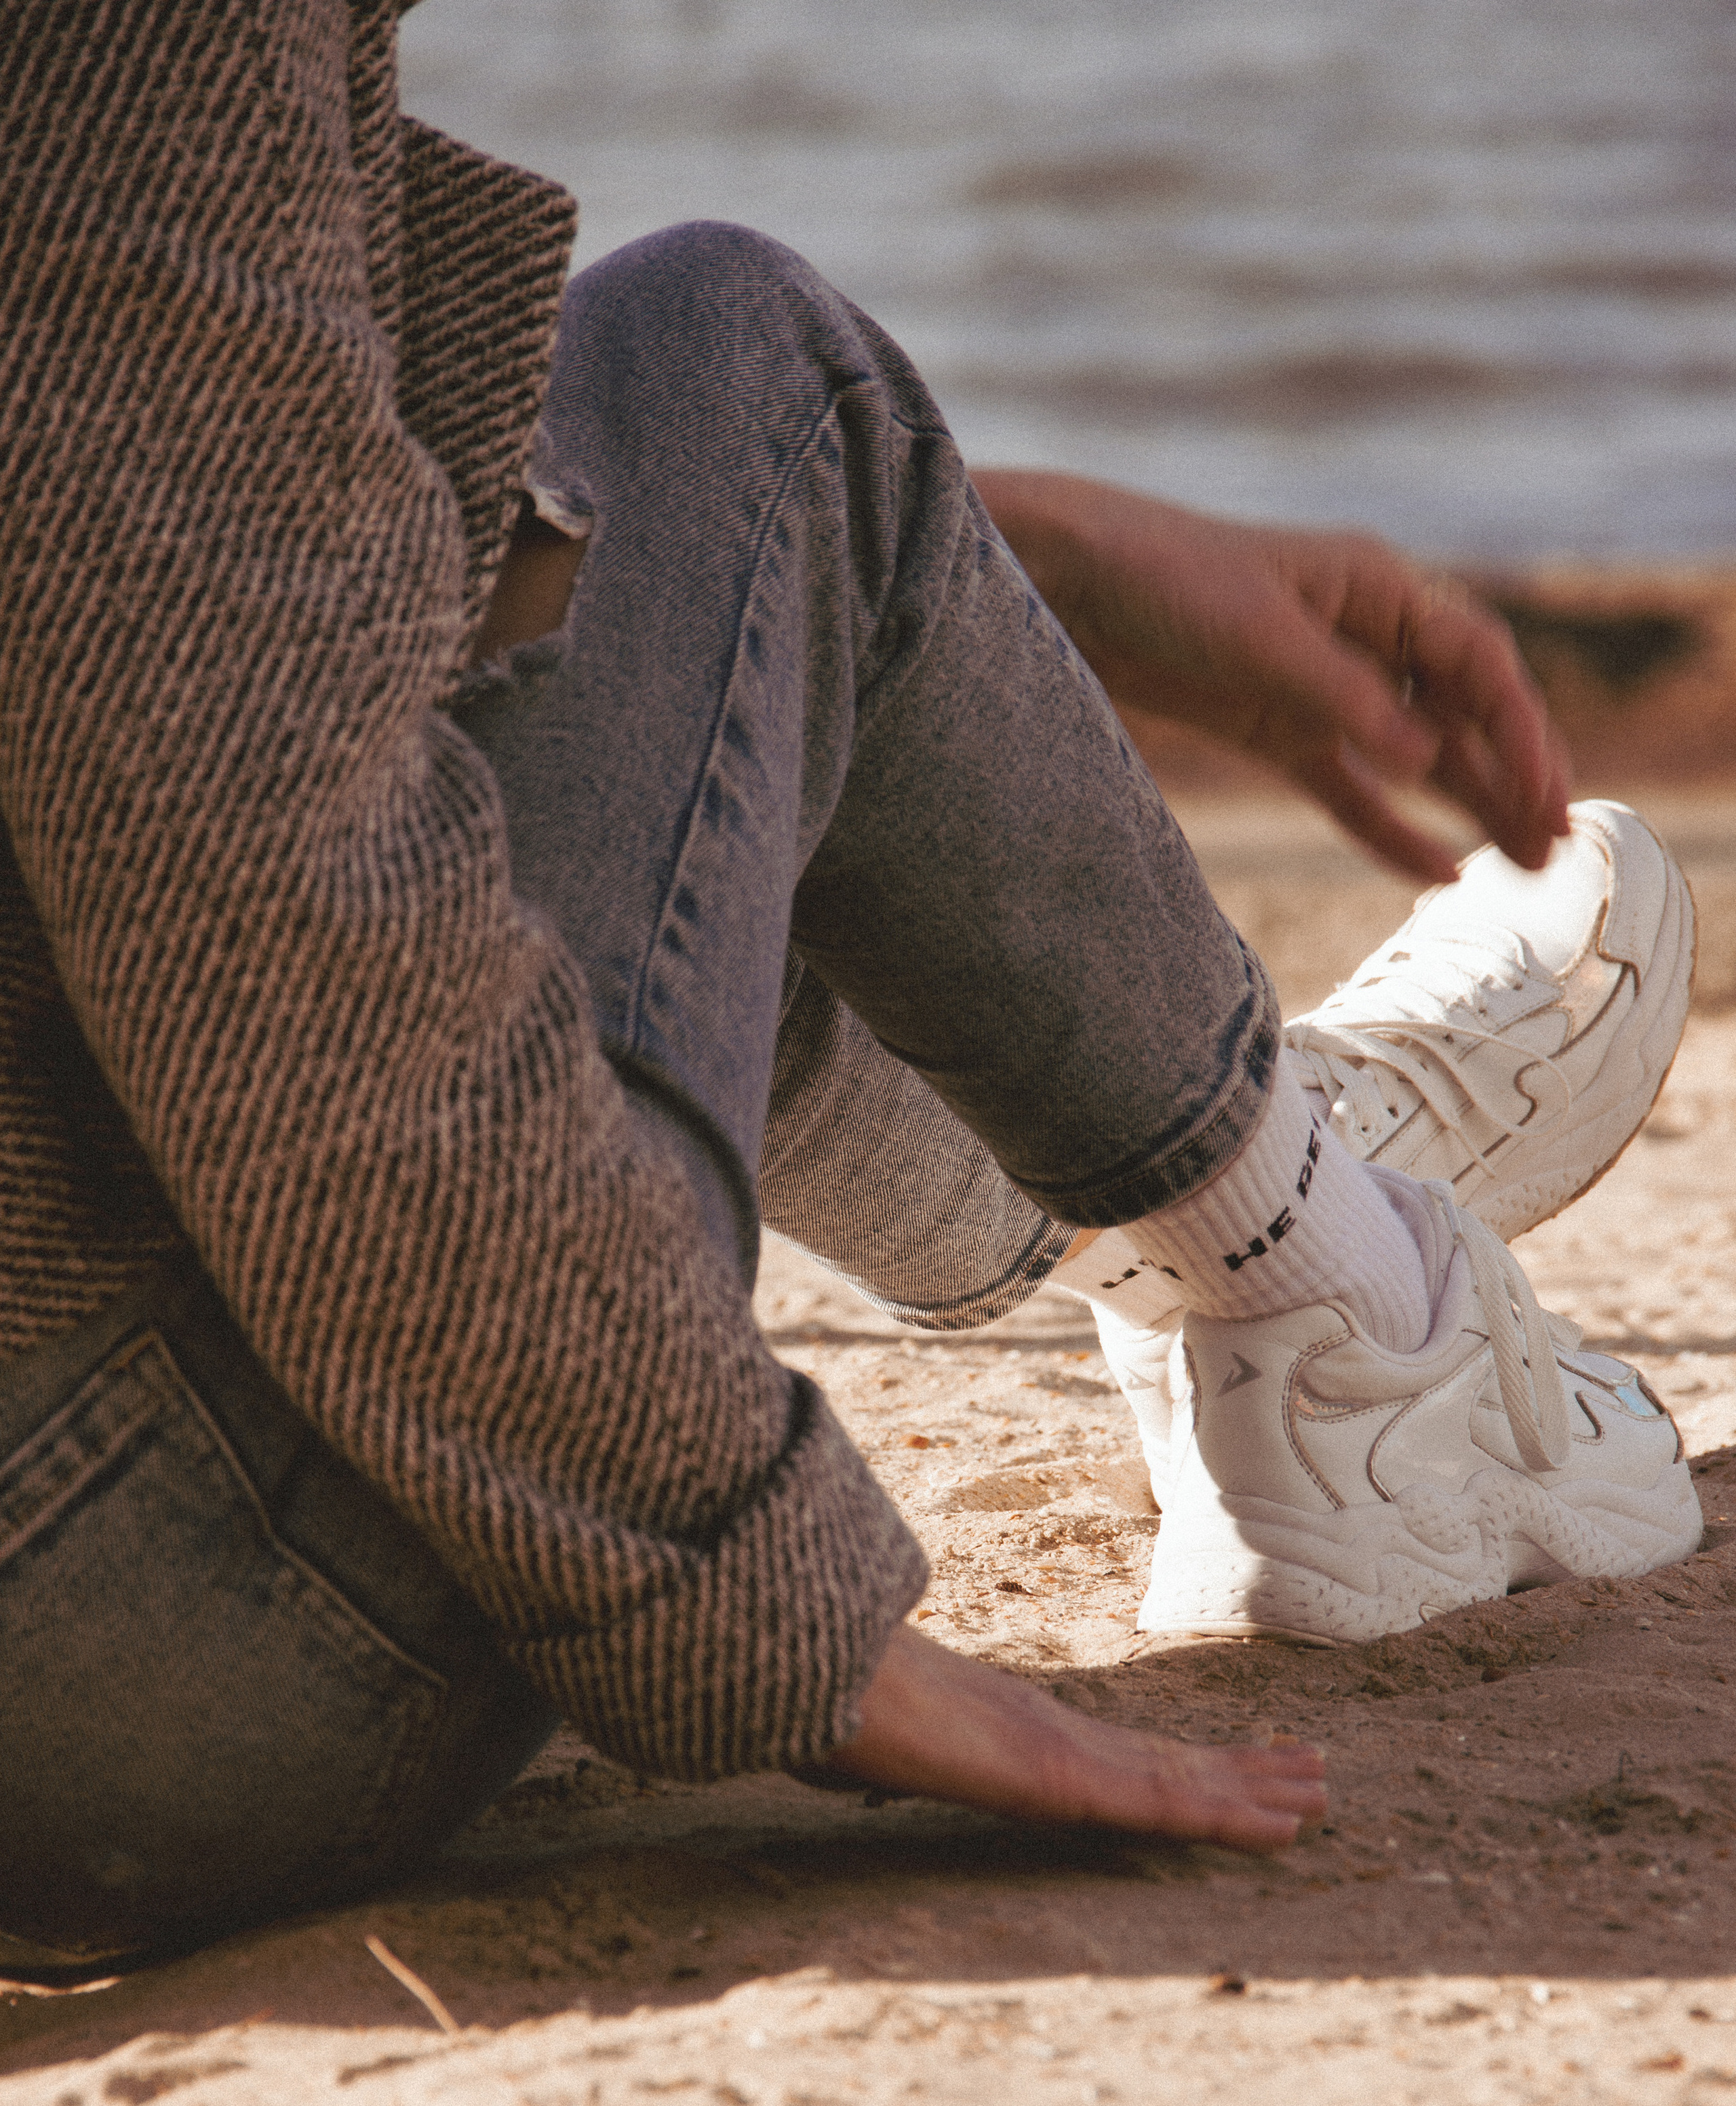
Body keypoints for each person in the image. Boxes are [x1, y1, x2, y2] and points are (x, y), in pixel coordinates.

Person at [0, 1, 1697, 1970]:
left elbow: (217, 531)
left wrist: (972, 546)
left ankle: (1209, 1179)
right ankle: (1321, 1283)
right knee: (733, 352)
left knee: (681, 495)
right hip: (159, 1630)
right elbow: (264, 881)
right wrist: (756, 1606)